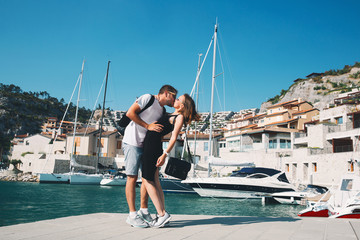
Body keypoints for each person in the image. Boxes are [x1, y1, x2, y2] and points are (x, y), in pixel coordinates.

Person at [141, 94, 200, 228]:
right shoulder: (169, 114)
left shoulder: (178, 118)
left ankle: (162, 214)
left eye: (178, 99)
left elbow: (173, 138)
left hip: (152, 148)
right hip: (152, 147)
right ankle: (162, 213)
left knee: (146, 179)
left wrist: (165, 154)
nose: (176, 100)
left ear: (183, 106)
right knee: (155, 181)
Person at [122, 85, 177, 228]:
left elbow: (157, 130)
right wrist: (147, 126)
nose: (174, 100)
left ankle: (144, 210)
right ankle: (132, 215)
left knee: (147, 178)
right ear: (166, 93)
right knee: (132, 177)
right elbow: (130, 113)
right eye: (173, 96)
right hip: (132, 141)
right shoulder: (148, 98)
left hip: (145, 146)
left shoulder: (162, 111)